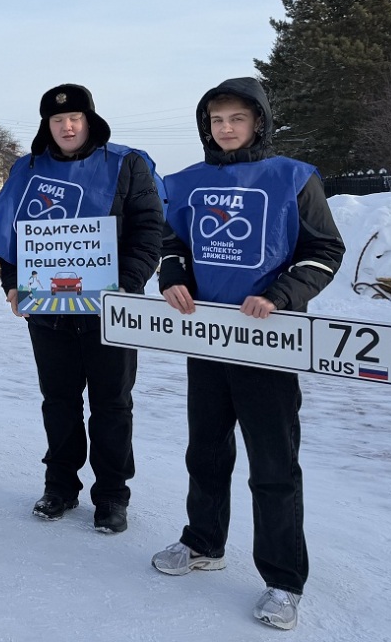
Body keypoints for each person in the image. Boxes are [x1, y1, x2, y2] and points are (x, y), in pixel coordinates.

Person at [151, 78, 344, 632]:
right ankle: (203, 542)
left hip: (268, 343)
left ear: (259, 121)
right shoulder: (187, 182)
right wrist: (173, 277)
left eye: (237, 118)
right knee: (206, 451)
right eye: (216, 120)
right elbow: (172, 242)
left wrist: (281, 295)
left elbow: (324, 250)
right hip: (206, 340)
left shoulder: (294, 177)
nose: (226, 128)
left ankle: (284, 579)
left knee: (273, 465)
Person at [0, 84, 162, 533]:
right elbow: (12, 232)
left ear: (89, 120)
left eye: (75, 118)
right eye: (58, 119)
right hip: (49, 310)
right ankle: (60, 486)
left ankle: (112, 495)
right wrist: (12, 283)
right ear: (47, 125)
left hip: (111, 310)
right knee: (59, 402)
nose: (67, 126)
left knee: (112, 405)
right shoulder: (28, 169)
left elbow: (148, 232)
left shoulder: (126, 164)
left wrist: (125, 285)